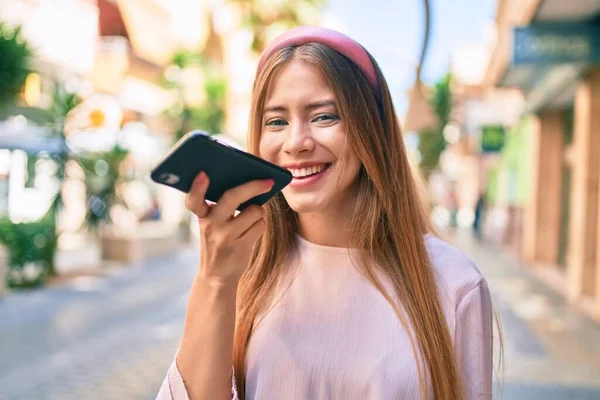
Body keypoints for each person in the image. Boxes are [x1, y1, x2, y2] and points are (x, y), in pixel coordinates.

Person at [157, 26, 494, 400]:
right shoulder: (243, 268)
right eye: (276, 121)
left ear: (371, 130)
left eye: (323, 117)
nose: (296, 143)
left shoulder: (454, 283)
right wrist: (216, 280)